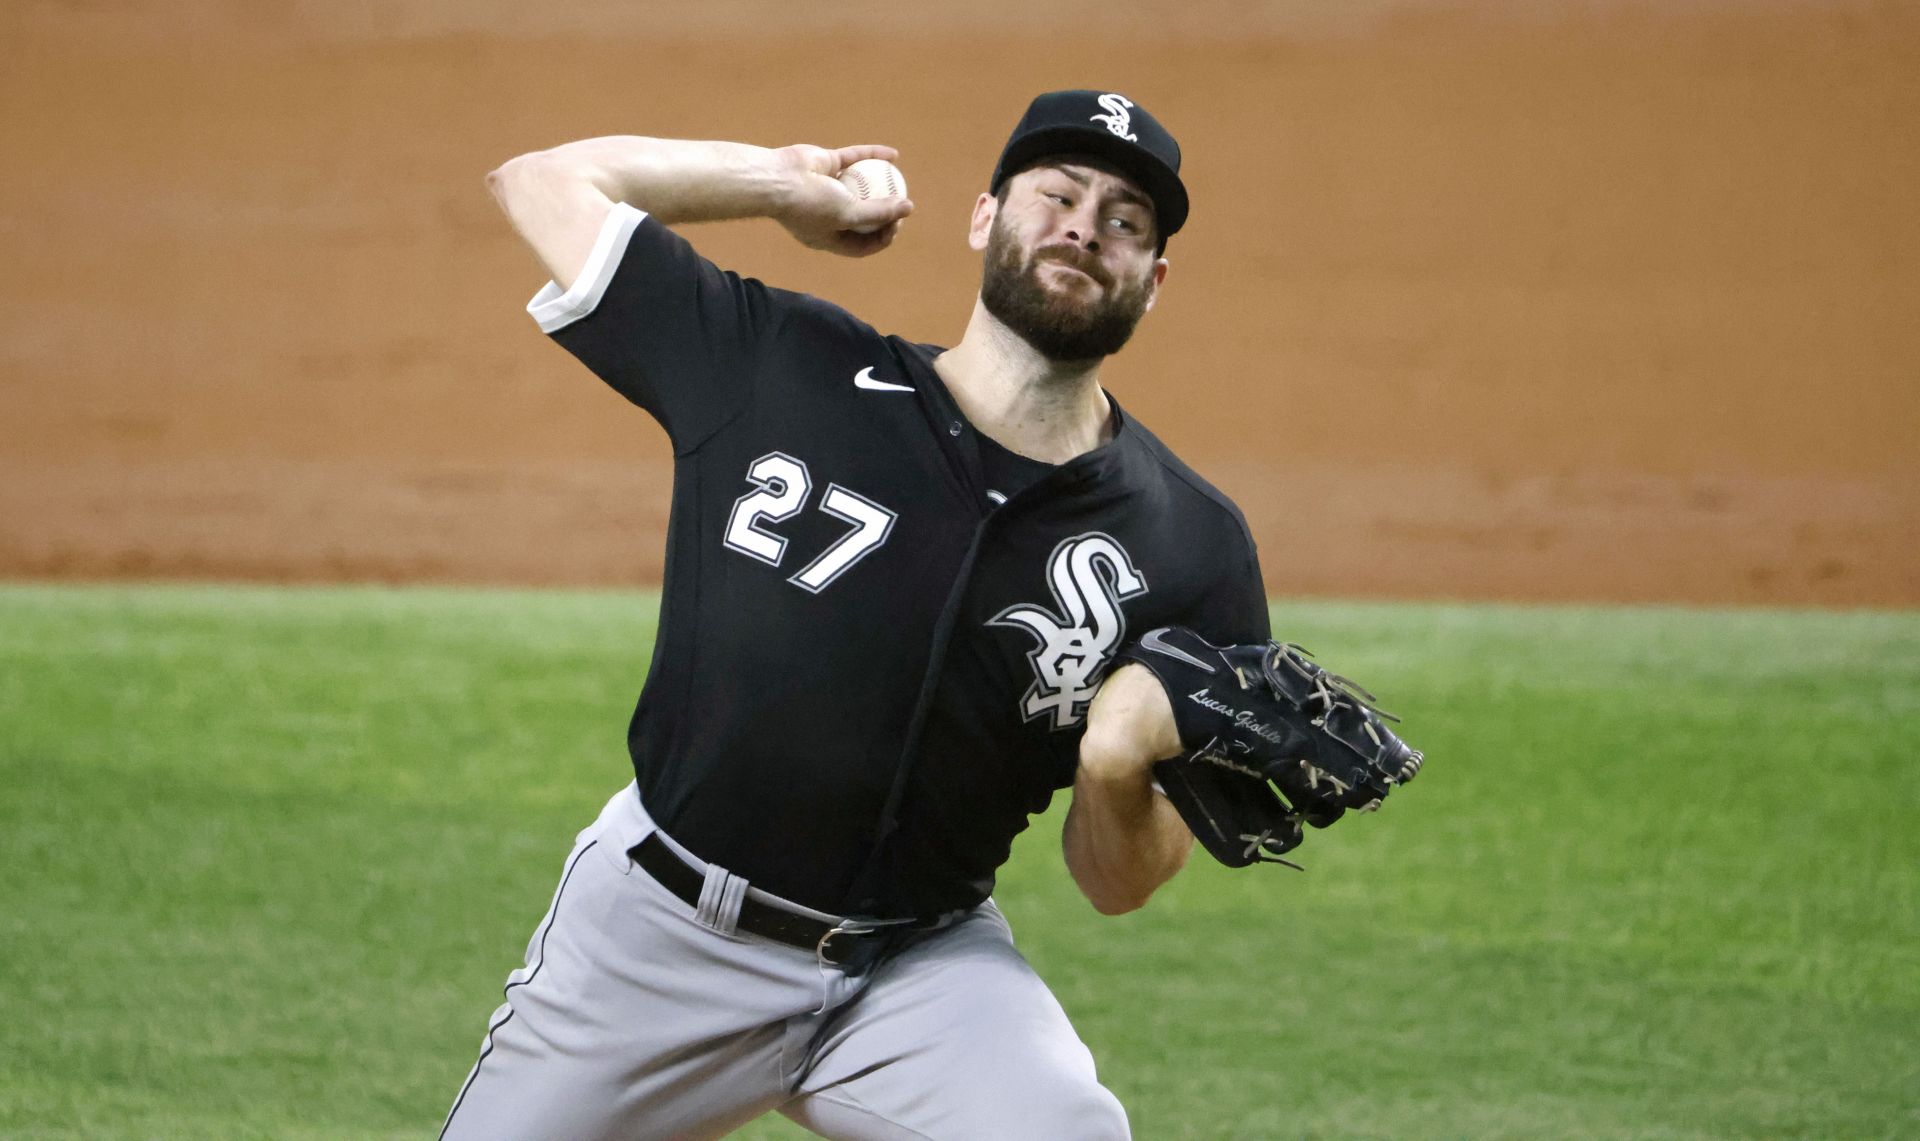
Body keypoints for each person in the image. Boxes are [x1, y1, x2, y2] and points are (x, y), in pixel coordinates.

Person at [444, 90, 1270, 1140]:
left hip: (917, 969)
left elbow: (1119, 884)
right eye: (1057, 196)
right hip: (657, 940)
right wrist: (776, 183)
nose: (1082, 227)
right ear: (984, 219)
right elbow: (542, 182)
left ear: (1153, 281)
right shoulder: (780, 366)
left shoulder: (1192, 546)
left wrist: (1115, 764)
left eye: (1123, 221)